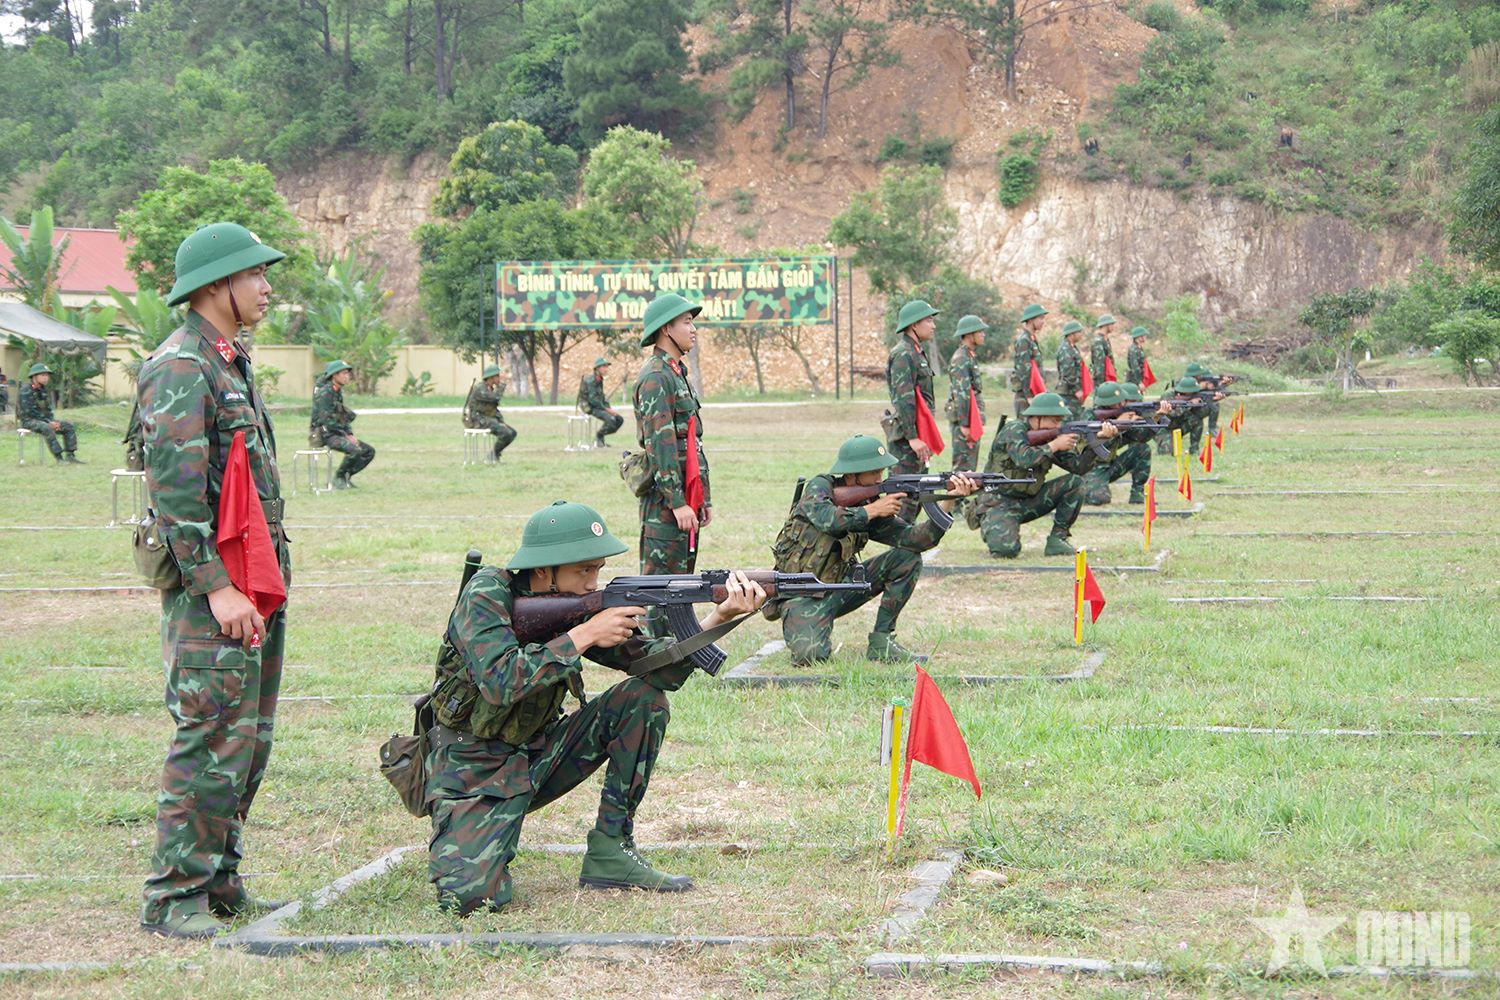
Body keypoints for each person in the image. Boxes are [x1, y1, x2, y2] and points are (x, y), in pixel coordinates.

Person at [424, 500, 766, 915]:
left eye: (599, 570)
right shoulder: (487, 595)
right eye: (583, 570)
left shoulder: (579, 607)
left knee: (642, 699)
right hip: (472, 766)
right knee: (469, 901)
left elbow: (660, 673)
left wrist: (718, 618)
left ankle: (611, 849)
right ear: (543, 569)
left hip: (538, 754)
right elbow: (499, 681)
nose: (593, 583)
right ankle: (474, 828)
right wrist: (583, 635)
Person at [138, 222, 290, 939]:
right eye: (255, 274)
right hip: (216, 593)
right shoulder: (179, 367)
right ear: (213, 286)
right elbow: (176, 495)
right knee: (209, 735)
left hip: (252, 582)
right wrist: (216, 587)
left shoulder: (227, 360)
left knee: (246, 738)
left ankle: (219, 877)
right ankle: (174, 897)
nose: (266, 286)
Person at [766, 435, 979, 666]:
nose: (880, 478)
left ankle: (881, 641)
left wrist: (948, 500)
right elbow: (828, 520)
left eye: (882, 472)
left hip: (842, 587)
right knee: (811, 657)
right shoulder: (820, 487)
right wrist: (873, 510)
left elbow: (916, 541)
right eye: (874, 473)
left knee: (906, 558)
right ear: (851, 474)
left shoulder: (871, 503)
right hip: (802, 593)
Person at [633, 294, 710, 634]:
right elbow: (660, 446)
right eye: (687, 322)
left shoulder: (676, 372)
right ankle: (652, 657)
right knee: (660, 589)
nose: (693, 330)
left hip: (683, 500)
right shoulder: (656, 377)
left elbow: (690, 443)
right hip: (666, 504)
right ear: (667, 328)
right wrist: (677, 502)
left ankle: (673, 653)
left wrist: (700, 498)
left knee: (681, 585)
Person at [967, 391, 1114, 558]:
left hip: (1028, 500)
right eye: (1054, 420)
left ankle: (1057, 540)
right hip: (998, 502)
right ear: (1037, 418)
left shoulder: (1051, 438)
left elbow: (1078, 467)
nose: (1058, 425)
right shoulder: (1014, 429)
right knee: (1006, 551)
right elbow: (1024, 459)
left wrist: (1098, 441)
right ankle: (997, 525)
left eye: (1060, 421)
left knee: (1075, 483)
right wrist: (1054, 446)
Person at [884, 299, 941, 520]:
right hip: (907, 440)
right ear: (914, 325)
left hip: (918, 435)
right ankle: (900, 552)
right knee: (904, 496)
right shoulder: (903, 354)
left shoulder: (915, 351)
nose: (933, 325)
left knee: (918, 494)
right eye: (928, 320)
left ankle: (908, 549)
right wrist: (913, 437)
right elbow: (904, 399)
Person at [1081, 381, 1168, 505]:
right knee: (1099, 498)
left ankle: (1137, 495)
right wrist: (1118, 427)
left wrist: (1156, 417)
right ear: (1107, 404)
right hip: (1091, 469)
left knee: (1142, 449)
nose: (1123, 404)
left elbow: (1140, 438)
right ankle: (1081, 489)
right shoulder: (1089, 417)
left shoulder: (1121, 416)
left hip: (1111, 465)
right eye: (1119, 402)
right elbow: (1093, 447)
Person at [311, 359, 375, 489]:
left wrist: (349, 433)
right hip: (323, 434)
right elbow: (326, 421)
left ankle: (346, 477)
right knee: (355, 450)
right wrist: (345, 435)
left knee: (368, 451)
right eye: (344, 373)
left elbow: (342, 416)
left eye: (347, 373)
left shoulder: (336, 391)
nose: (347, 377)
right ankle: (339, 477)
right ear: (334, 375)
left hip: (336, 433)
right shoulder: (325, 393)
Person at [945, 315, 987, 471]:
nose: (983, 335)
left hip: (971, 417)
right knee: (963, 465)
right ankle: (957, 496)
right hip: (966, 420)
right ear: (969, 335)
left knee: (970, 464)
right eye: (980, 332)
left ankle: (963, 494)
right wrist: (964, 424)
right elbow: (961, 393)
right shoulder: (961, 358)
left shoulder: (969, 355)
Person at [18, 362, 81, 463]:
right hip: (29, 421)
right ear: (34, 376)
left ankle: (70, 456)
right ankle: (59, 458)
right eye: (43, 375)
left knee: (68, 426)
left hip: (45, 420)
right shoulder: (26, 390)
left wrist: (52, 421)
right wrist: (48, 422)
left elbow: (48, 409)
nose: (46, 378)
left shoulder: (43, 390)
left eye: (47, 375)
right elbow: (30, 412)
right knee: (46, 428)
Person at [463, 364, 517, 461]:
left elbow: (492, 407)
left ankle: (494, 454)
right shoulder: (480, 389)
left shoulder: (489, 388)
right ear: (491, 377)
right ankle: (493, 455)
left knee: (512, 433)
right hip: (477, 420)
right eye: (498, 376)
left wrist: (500, 421)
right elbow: (494, 398)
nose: (499, 378)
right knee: (506, 433)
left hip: (486, 418)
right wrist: (501, 386)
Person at [577, 356, 624, 449]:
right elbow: (593, 400)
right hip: (589, 407)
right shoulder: (592, 380)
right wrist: (607, 409)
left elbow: (601, 397)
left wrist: (609, 408)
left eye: (607, 366)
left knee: (619, 419)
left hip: (597, 406)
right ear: (597, 368)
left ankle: (601, 437)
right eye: (604, 366)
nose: (606, 369)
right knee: (611, 420)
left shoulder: (599, 379)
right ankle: (599, 436)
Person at [1010, 303, 1047, 417]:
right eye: (1040, 318)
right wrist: (1029, 395)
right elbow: (1024, 370)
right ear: (1031, 320)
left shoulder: (1031, 339)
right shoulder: (1024, 340)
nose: (1043, 321)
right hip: (1025, 396)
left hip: (1033, 392)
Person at [1054, 320, 1088, 418]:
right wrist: (1077, 390)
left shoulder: (1072, 348)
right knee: (1070, 420)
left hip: (1071, 392)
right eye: (1079, 332)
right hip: (1068, 393)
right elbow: (1068, 372)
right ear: (1071, 334)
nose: (1081, 334)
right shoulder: (1066, 349)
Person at [1091, 314, 1119, 384]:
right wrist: (1103, 383)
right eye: (1111, 324)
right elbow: (1099, 364)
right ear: (1105, 325)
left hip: (1107, 378)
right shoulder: (1098, 341)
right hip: (1102, 380)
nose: (1113, 326)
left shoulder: (1105, 339)